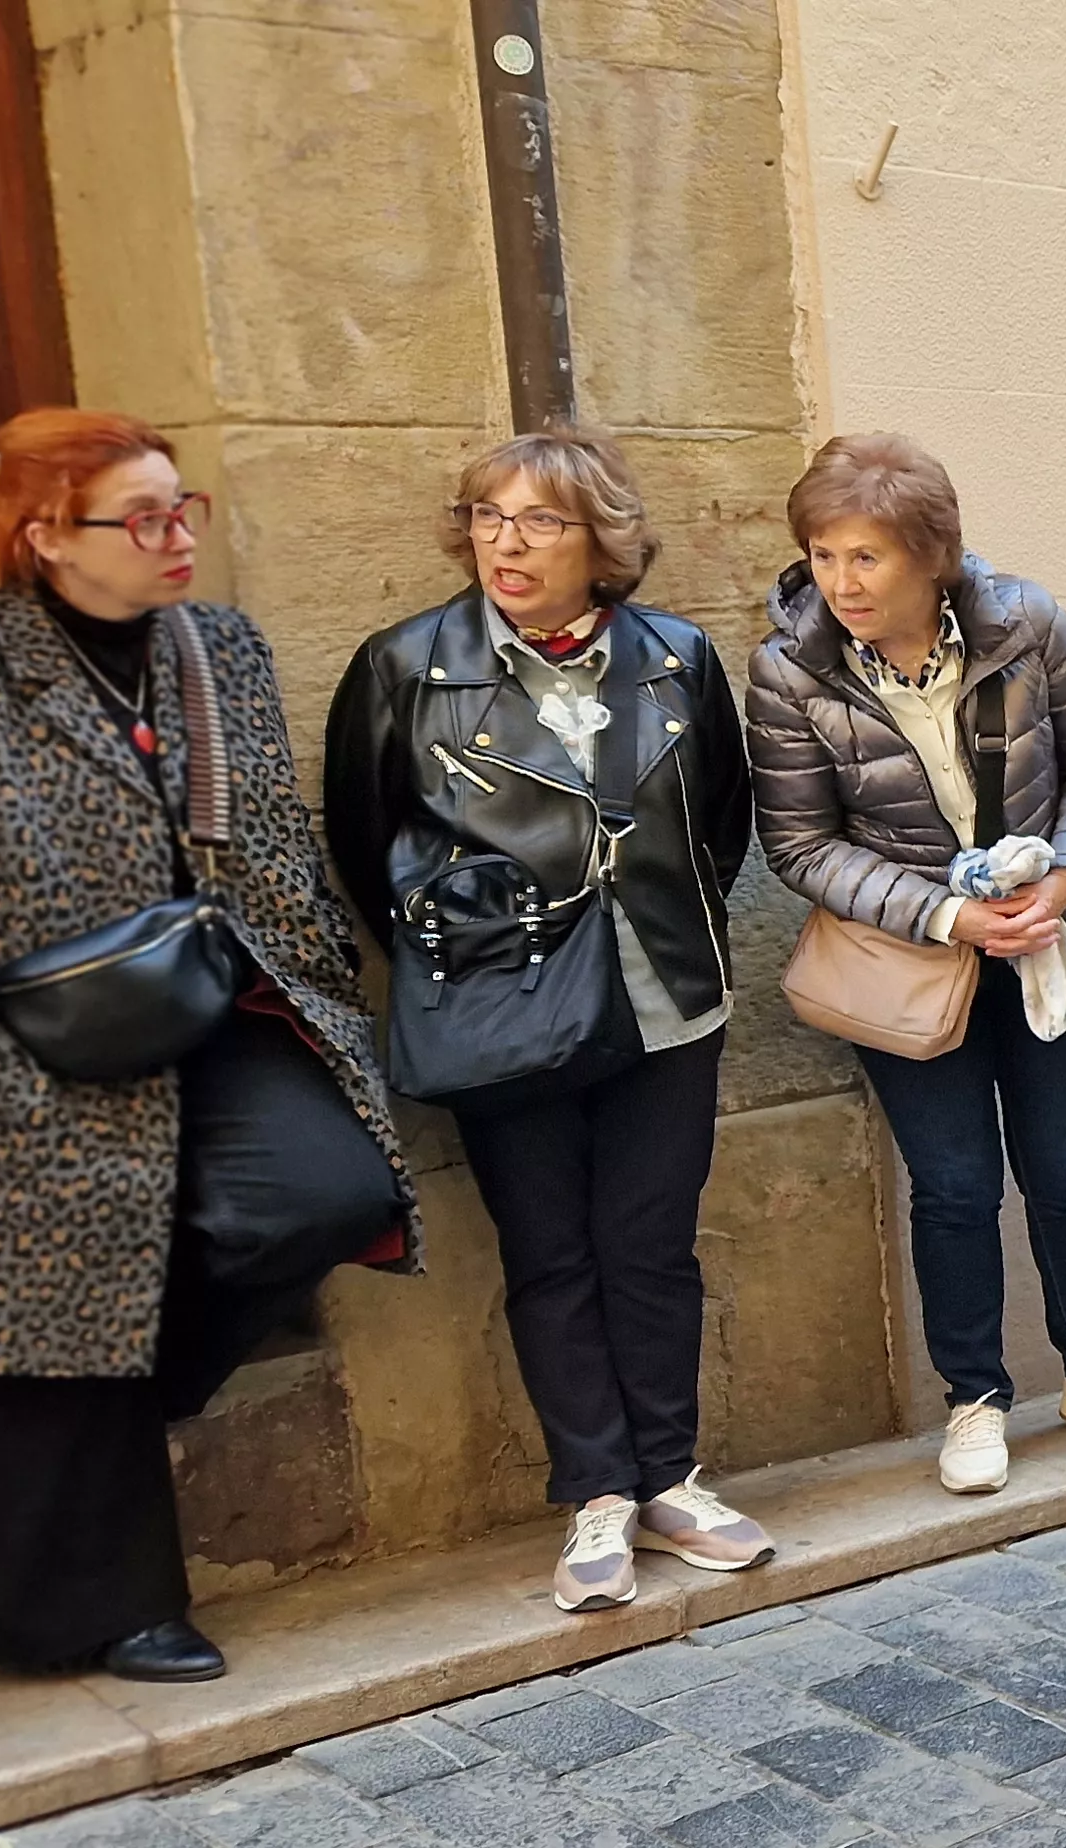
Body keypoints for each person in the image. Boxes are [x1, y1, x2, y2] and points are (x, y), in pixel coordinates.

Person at [0, 410, 413, 1680]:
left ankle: (126, 1394)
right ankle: (92, 1616)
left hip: (221, 998)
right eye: (140, 517)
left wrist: (312, 966)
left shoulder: (219, 645)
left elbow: (269, 819)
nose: (174, 538)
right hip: (37, 1026)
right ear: (47, 535)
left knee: (326, 1195)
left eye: (181, 509)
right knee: (67, 1272)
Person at [324, 429, 770, 1612]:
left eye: (539, 522)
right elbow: (365, 849)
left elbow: (719, 827)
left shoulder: (677, 659)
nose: (504, 544)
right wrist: (476, 955)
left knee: (650, 1245)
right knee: (550, 1252)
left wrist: (649, 923)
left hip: (666, 994)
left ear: (605, 542)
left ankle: (672, 1477)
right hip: (501, 1003)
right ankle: (597, 1496)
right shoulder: (405, 666)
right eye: (486, 515)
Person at [750, 432, 1066, 1492]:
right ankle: (975, 1401)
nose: (841, 582)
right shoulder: (788, 669)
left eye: (868, 557)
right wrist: (947, 918)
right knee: (952, 1185)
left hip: (1050, 939)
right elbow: (799, 847)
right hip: (909, 963)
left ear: (931, 555)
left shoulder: (1028, 622)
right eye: (823, 554)